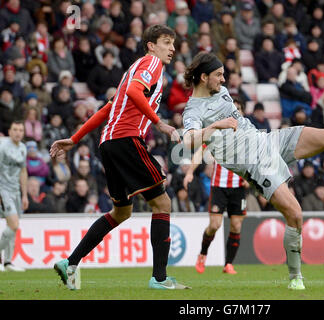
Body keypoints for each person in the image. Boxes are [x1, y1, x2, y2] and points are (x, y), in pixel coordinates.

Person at [182, 52, 324, 290]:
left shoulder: (220, 92)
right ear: (203, 77)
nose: (223, 80)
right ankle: (295, 276)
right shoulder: (193, 110)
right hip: (255, 164)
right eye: (218, 75)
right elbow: (189, 141)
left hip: (269, 141)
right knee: (295, 214)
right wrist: (215, 126)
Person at [49, 25, 189, 290]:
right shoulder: (152, 64)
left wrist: (74, 138)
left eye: (173, 44)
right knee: (163, 204)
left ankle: (71, 262)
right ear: (151, 45)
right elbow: (136, 93)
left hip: (108, 143)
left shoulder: (132, 71)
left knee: (121, 212)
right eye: (166, 42)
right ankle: (159, 279)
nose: (172, 48)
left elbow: (107, 109)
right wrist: (160, 123)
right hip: (126, 140)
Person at [184, 99, 249, 275]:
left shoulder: (247, 134)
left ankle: (228, 264)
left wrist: (250, 178)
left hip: (238, 188)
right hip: (219, 186)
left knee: (236, 226)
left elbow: (254, 159)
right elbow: (199, 153)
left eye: (238, 109)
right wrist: (190, 172)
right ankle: (203, 254)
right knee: (214, 225)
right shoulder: (217, 134)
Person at [0, 121, 28, 272]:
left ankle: (7, 262)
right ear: (9, 131)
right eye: (15, 129)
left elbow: (23, 172)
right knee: (13, 224)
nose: (18, 132)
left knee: (13, 227)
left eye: (21, 130)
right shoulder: (2, 146)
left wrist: (24, 195)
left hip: (15, 191)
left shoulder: (23, 148)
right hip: (3, 189)